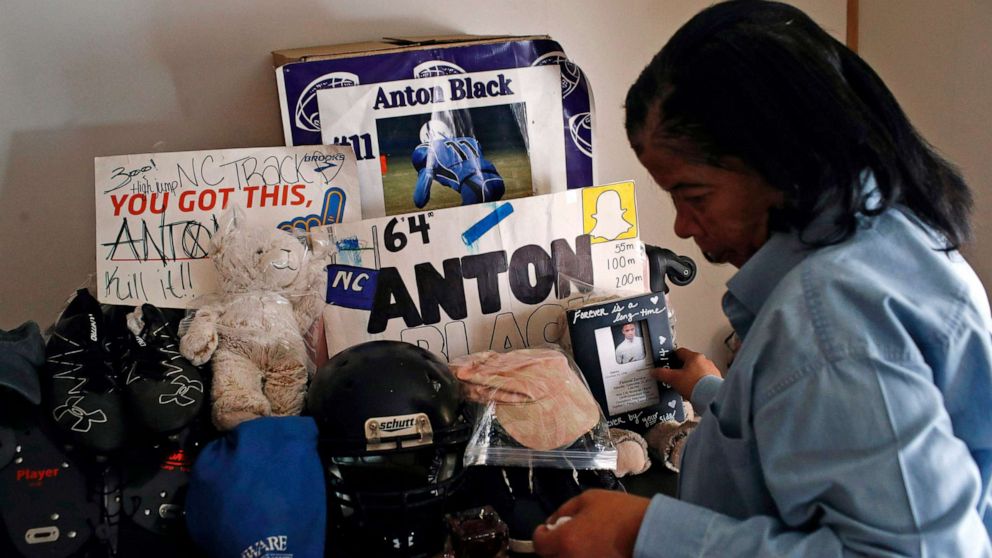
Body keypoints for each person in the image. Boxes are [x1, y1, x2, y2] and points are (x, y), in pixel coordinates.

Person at [532, 1, 992, 557]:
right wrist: (720, 394)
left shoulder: (829, 320)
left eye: (694, 195)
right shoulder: (896, 235)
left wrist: (641, 533)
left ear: (784, 161)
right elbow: (846, 427)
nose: (681, 225)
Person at [411, 119, 506, 208]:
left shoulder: (426, 150)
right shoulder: (470, 140)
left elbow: (420, 201)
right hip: (497, 180)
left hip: (474, 187)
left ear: (425, 136)